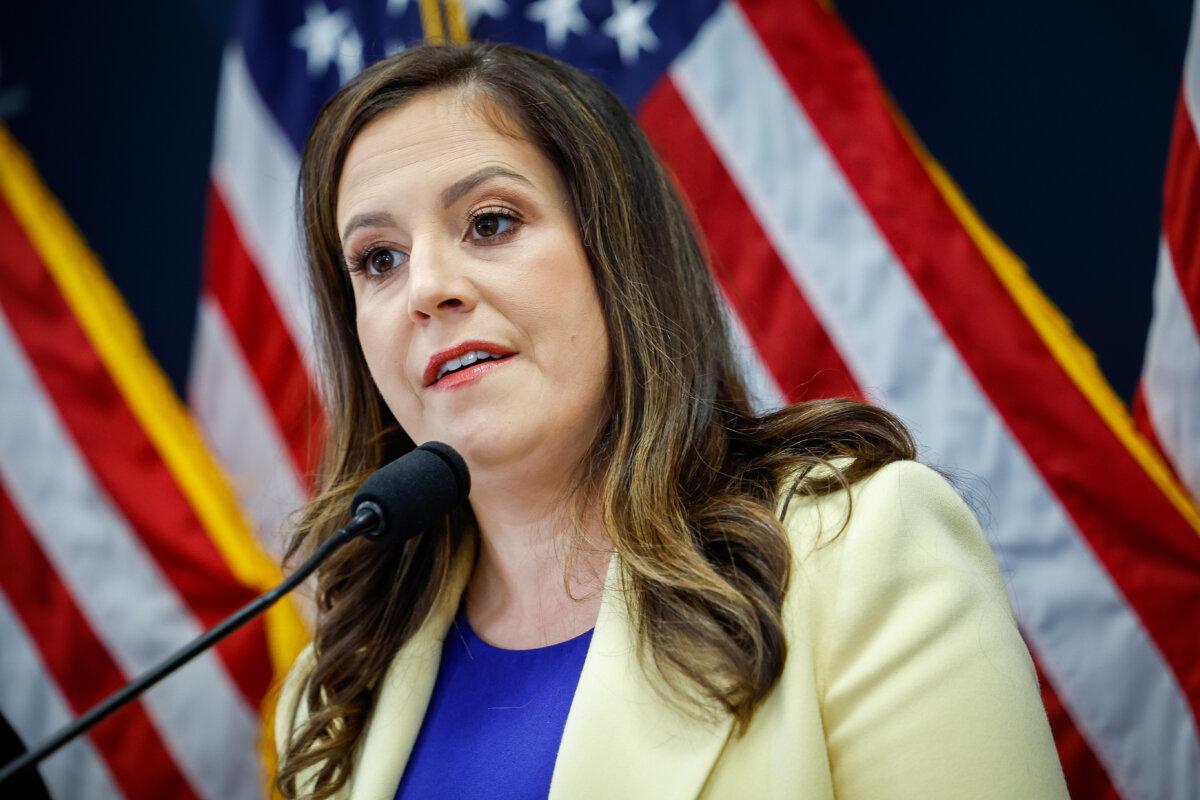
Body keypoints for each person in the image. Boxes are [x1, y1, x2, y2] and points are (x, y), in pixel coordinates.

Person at [273, 42, 1069, 800]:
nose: (427, 288)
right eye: (379, 259)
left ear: (621, 258)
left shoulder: (859, 551)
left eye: (490, 223)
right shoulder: (333, 691)